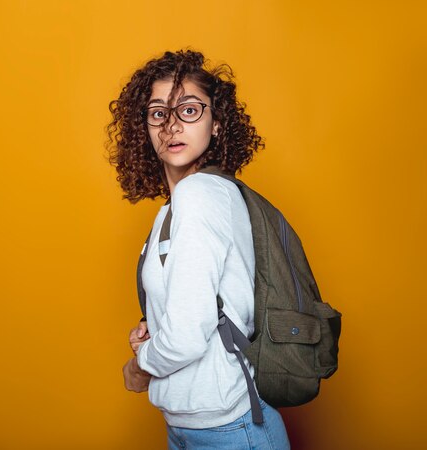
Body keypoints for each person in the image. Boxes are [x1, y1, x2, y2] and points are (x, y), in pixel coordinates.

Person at [107, 49, 290, 450]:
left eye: (188, 110)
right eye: (158, 114)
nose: (171, 126)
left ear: (217, 123)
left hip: (229, 430)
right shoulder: (183, 203)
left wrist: (139, 367)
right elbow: (208, 307)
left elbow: (188, 337)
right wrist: (156, 331)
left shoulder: (199, 195)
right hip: (196, 425)